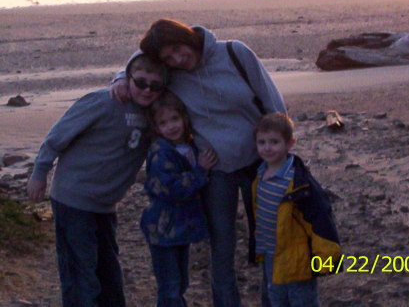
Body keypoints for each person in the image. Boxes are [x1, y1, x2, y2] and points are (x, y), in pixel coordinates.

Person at [112, 18, 287, 307]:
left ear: (188, 36)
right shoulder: (173, 73)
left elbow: (274, 104)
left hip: (260, 163)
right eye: (168, 57)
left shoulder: (235, 53)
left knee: (270, 242)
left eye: (178, 49)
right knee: (222, 248)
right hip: (216, 170)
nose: (178, 59)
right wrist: (120, 77)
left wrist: (281, 159)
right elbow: (140, 63)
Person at [26, 52, 165, 307]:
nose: (147, 90)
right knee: (80, 275)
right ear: (130, 78)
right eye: (141, 82)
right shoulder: (104, 102)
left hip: (105, 205)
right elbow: (57, 137)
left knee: (109, 275)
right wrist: (39, 173)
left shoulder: (156, 115)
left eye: (155, 86)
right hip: (73, 200)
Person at [252, 112, 341, 307]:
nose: (267, 148)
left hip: (298, 258)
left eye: (274, 142)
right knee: (277, 300)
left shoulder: (298, 182)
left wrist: (327, 256)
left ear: (290, 144)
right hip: (271, 254)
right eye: (262, 142)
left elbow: (319, 217)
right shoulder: (259, 175)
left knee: (302, 301)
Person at [141, 91, 217, 306]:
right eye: (163, 123)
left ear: (184, 118)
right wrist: (200, 171)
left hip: (180, 229)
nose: (171, 126)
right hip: (162, 229)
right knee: (170, 287)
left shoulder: (188, 147)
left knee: (181, 282)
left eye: (174, 119)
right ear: (156, 128)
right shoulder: (161, 153)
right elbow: (171, 189)